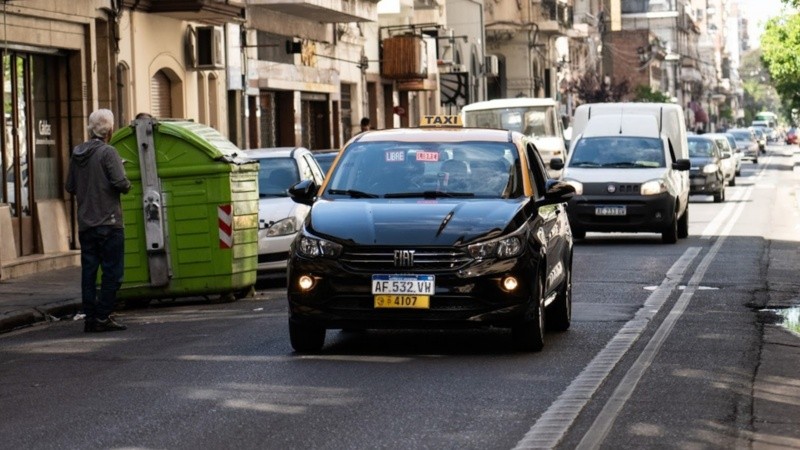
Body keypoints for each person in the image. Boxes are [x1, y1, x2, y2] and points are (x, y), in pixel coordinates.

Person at [65, 109, 132, 333]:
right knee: (113, 272)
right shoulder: (108, 152)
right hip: (109, 222)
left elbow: (70, 187)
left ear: (90, 128)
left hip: (85, 223)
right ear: (110, 129)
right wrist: (122, 171)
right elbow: (122, 184)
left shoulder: (77, 154)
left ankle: (90, 318)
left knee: (89, 273)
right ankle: (103, 316)